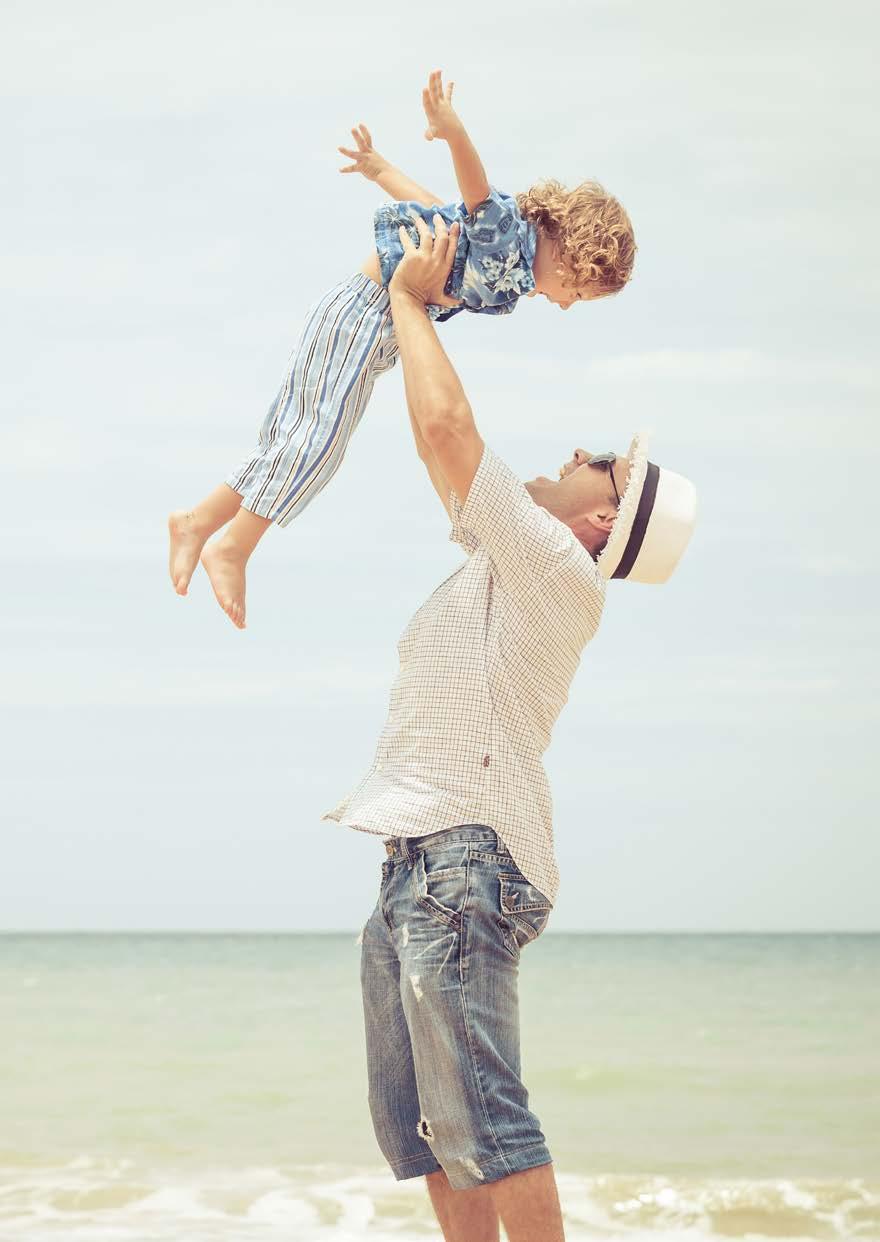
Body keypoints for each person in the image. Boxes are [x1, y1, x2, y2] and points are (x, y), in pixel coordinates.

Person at [323, 214, 696, 1242]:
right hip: (419, 856)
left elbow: (450, 438)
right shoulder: (514, 559)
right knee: (436, 1132)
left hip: (466, 858)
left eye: (605, 466)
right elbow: (446, 461)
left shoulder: (554, 567)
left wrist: (408, 303)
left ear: (598, 525)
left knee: (487, 1122)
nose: (580, 453)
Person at [167, 70, 635, 628]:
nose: (566, 305)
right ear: (573, 257)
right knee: (316, 443)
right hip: (363, 317)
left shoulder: (505, 268)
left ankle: (199, 521)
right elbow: (473, 193)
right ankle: (235, 545)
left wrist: (380, 170)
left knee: (299, 438)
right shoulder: (511, 239)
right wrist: (453, 132)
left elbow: (436, 210)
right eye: (578, 292)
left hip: (374, 328)